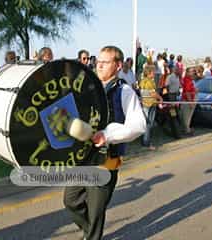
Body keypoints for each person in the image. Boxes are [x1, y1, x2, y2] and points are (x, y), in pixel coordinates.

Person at [63, 46, 146, 240]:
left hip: (106, 161)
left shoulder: (124, 91)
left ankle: (92, 235)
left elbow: (139, 125)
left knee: (95, 210)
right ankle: (90, 231)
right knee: (71, 200)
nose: (98, 65)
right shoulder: (90, 86)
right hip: (84, 158)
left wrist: (107, 135)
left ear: (117, 66)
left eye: (105, 62)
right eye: (98, 60)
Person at [139, 65, 163, 150]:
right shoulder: (149, 82)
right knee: (149, 124)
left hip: (145, 104)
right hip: (150, 104)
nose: (154, 73)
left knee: (146, 124)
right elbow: (153, 94)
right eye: (153, 72)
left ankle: (144, 142)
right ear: (149, 73)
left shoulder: (142, 81)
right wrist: (160, 98)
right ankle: (146, 143)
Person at [180, 67, 197, 136]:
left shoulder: (190, 79)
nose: (193, 72)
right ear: (187, 72)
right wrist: (190, 103)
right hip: (187, 101)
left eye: (193, 71)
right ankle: (186, 131)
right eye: (192, 71)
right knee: (186, 117)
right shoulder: (187, 80)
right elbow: (187, 92)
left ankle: (186, 129)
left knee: (187, 117)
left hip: (188, 100)